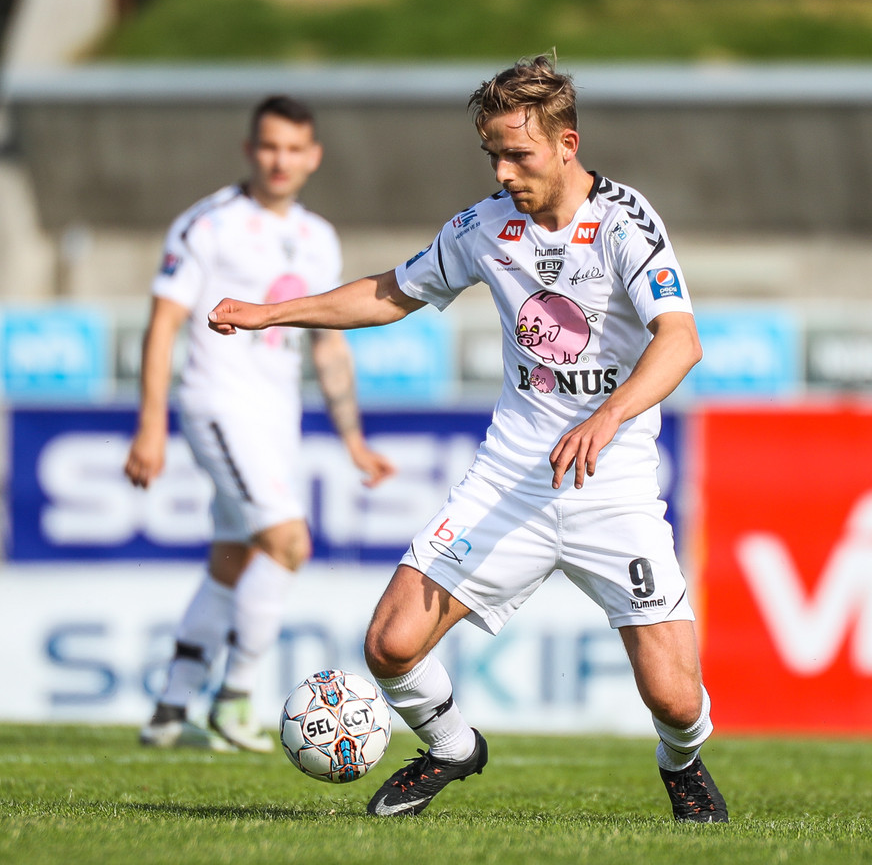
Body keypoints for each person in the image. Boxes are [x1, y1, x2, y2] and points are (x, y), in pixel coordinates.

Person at [208, 56, 728, 822]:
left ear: (567, 144)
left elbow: (680, 341)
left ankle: (680, 763)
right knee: (390, 644)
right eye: (492, 155)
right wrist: (270, 313)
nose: (503, 172)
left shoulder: (624, 222)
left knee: (675, 699)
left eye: (518, 154)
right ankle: (453, 747)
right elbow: (391, 293)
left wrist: (607, 417)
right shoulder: (485, 227)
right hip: (511, 478)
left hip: (611, 486)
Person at [126, 95, 395, 753]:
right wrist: (150, 425)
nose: (281, 160)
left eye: (294, 149)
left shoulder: (318, 237)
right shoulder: (209, 224)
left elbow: (327, 343)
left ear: (313, 156)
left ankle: (169, 711)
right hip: (218, 403)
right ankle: (235, 700)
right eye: (269, 146)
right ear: (250, 149)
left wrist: (354, 439)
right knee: (288, 542)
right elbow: (163, 325)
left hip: (275, 417)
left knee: (235, 556)